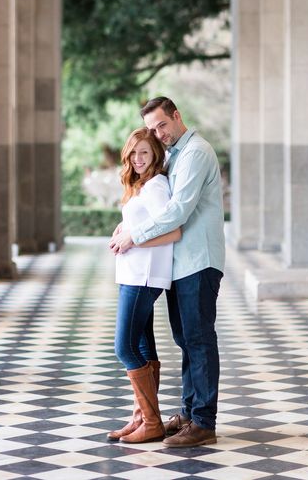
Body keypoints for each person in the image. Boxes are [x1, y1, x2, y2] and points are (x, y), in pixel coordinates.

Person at [110, 96, 225, 447]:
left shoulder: (196, 152)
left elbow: (177, 211)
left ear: (177, 116)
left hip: (199, 260)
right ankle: (190, 413)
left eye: (162, 125)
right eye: (153, 128)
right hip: (180, 263)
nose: (159, 134)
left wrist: (133, 236)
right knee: (185, 339)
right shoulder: (173, 154)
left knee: (198, 339)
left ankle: (203, 421)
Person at [108, 127, 181, 444]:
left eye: (145, 153)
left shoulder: (156, 186)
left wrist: (131, 239)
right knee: (141, 347)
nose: (138, 159)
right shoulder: (141, 186)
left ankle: (151, 421)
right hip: (132, 274)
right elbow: (145, 224)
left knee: (124, 346)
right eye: (134, 152)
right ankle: (142, 417)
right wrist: (126, 228)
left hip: (144, 277)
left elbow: (172, 232)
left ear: (155, 155)